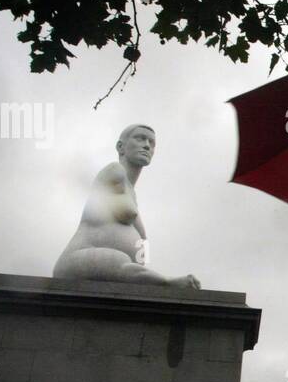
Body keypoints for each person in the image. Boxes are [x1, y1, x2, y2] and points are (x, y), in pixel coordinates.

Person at [53, 123, 201, 287]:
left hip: (120, 269)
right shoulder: (114, 171)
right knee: (118, 260)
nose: (147, 145)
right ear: (120, 147)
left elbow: (140, 241)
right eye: (140, 138)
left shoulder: (131, 192)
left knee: (122, 262)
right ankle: (165, 282)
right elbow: (128, 213)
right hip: (77, 259)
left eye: (152, 143)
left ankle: (159, 282)